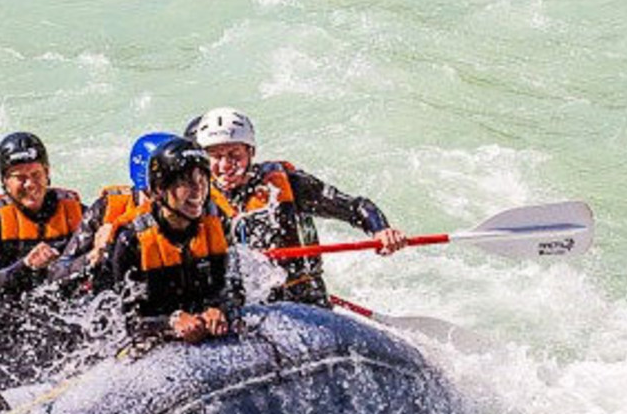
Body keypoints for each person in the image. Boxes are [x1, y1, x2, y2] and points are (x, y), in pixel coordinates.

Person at [187, 108, 403, 305]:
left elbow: (355, 206)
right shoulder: (195, 198)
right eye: (216, 157)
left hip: (304, 296)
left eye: (235, 155)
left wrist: (381, 230)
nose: (225, 166)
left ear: (251, 152)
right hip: (244, 304)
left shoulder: (286, 182)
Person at [0, 132, 92, 378]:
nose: (30, 185)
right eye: (19, 178)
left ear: (47, 173)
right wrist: (26, 265)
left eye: (36, 175)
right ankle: (3, 390)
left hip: (71, 313)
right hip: (20, 317)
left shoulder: (80, 213)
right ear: (4, 181)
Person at [97, 138, 240, 344]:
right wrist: (170, 322)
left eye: (202, 181)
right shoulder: (131, 240)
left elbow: (235, 289)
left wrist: (219, 309)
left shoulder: (218, 223)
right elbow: (122, 320)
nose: (198, 191)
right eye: (185, 182)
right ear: (158, 190)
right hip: (154, 336)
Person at [61, 131, 173, 272]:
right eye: (159, 189)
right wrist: (94, 255)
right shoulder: (105, 208)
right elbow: (59, 270)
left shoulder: (197, 209)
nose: (167, 197)